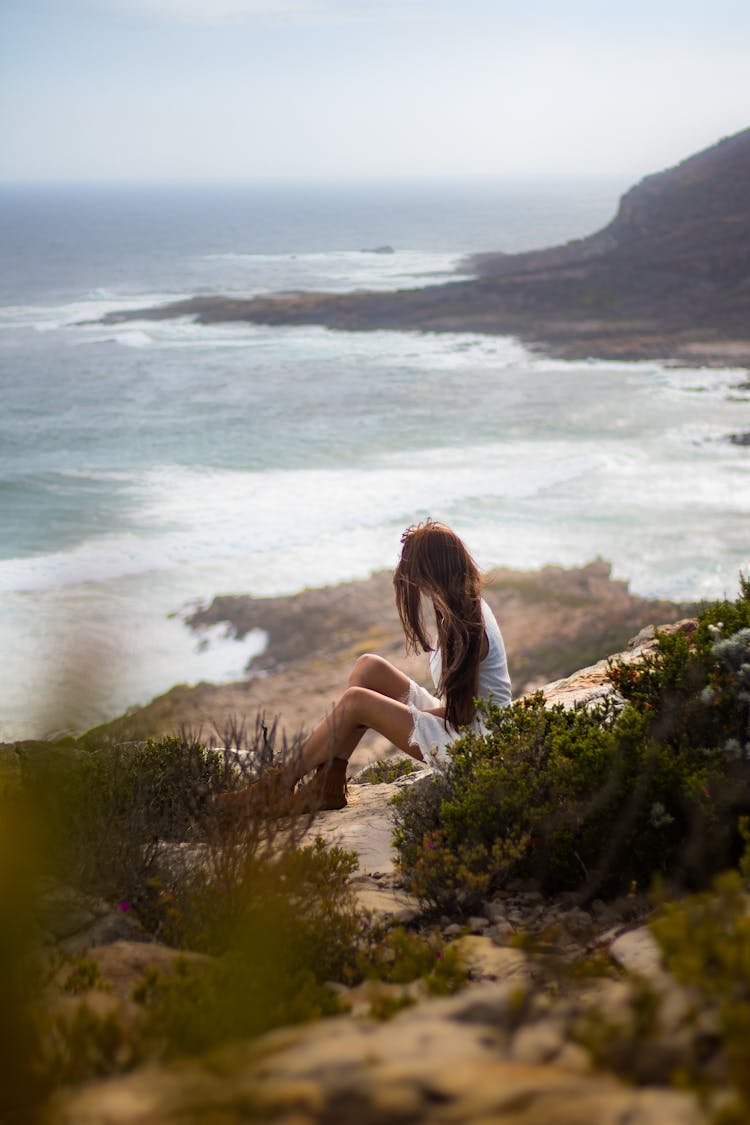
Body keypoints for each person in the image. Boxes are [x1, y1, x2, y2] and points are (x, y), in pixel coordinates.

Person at [290, 519, 512, 812]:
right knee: (369, 666)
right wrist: (396, 713)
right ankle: (328, 785)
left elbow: (462, 714)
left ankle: (276, 784)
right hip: (464, 721)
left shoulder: (467, 625)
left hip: (477, 745)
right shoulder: (460, 603)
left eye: (418, 574)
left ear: (434, 572)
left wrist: (392, 715)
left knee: (357, 703)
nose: (416, 584)